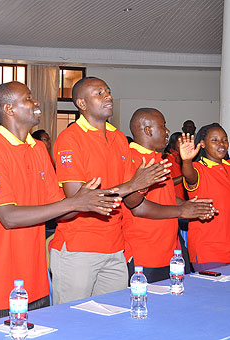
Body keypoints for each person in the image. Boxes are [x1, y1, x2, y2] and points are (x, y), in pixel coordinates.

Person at [0, 81, 125, 324]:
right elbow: (9, 217)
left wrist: (85, 201)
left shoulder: (38, 149)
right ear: (9, 109)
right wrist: (74, 203)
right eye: (28, 98)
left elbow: (61, 210)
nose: (36, 103)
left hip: (34, 280)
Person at [51, 77, 215, 304]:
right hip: (81, 246)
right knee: (74, 319)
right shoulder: (70, 138)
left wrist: (148, 187)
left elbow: (132, 199)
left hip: (116, 245)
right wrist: (136, 185)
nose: (108, 96)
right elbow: (78, 199)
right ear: (82, 103)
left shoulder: (118, 139)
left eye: (108, 91)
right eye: (99, 93)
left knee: (115, 317)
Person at [122, 108, 213, 282]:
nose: (167, 131)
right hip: (144, 253)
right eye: (163, 126)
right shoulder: (131, 158)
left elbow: (167, 197)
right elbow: (138, 207)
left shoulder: (158, 158)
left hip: (168, 250)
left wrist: (193, 206)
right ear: (148, 130)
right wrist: (181, 211)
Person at [179, 123, 230, 271]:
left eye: (224, 139)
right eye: (215, 140)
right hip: (209, 250)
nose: (221, 144)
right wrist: (187, 161)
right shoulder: (198, 169)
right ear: (202, 144)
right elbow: (190, 176)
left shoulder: (227, 167)